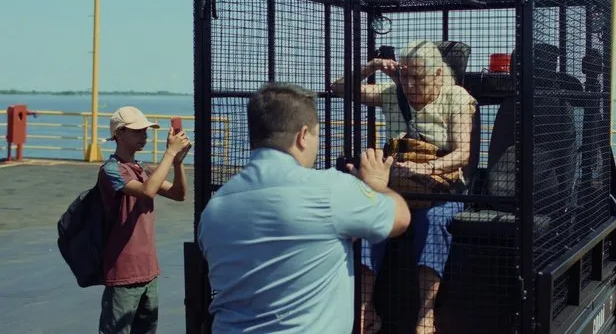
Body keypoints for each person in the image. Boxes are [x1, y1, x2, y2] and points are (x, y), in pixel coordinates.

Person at [197, 82, 411, 334]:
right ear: (303, 136)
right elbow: (400, 218)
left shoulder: (215, 208)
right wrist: (375, 184)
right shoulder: (329, 190)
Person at [331, 39, 477, 334]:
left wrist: (426, 168)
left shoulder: (456, 98)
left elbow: (462, 153)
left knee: (434, 221)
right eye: (405, 76)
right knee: (370, 219)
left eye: (418, 78)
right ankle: (364, 308)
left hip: (440, 190)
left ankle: (426, 313)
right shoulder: (392, 94)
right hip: (398, 188)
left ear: (438, 74)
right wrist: (371, 67)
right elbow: (338, 88)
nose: (410, 86)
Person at [98, 106, 192, 334]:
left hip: (148, 271)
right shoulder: (111, 170)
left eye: (145, 131)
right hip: (124, 272)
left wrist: (178, 162)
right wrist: (169, 153)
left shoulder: (143, 169)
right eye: (137, 131)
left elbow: (179, 194)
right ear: (119, 133)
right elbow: (147, 191)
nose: (144, 136)